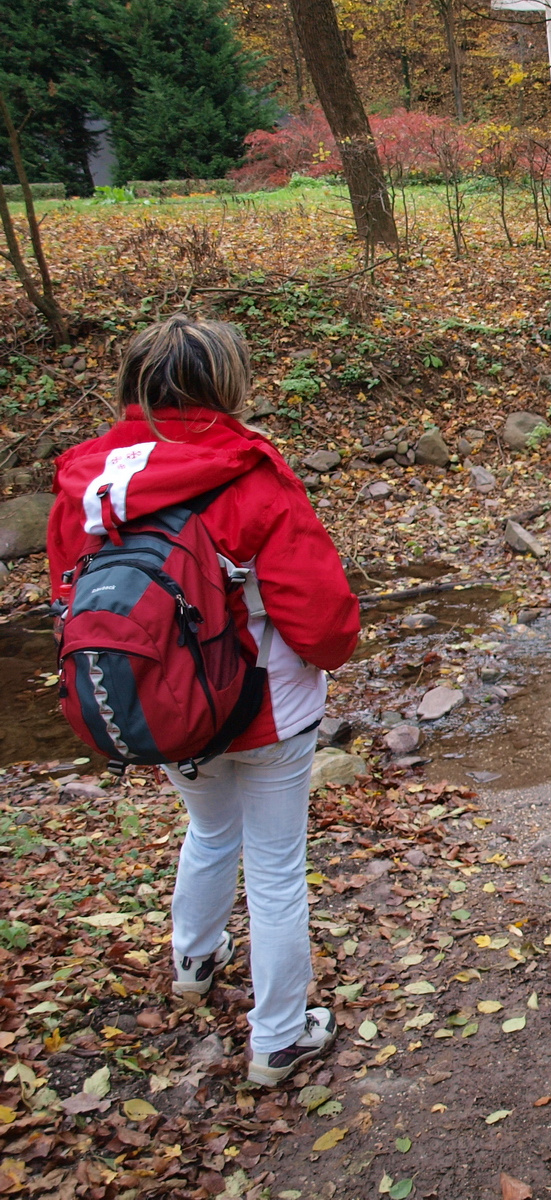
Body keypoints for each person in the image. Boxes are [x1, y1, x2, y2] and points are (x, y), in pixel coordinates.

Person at [47, 315, 361, 1086]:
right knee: (278, 869)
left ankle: (195, 961)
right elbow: (324, 623)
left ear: (135, 383)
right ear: (226, 382)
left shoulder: (84, 480)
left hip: (159, 702)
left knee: (208, 830)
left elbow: (68, 594)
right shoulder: (248, 471)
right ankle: (279, 1038)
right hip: (266, 707)